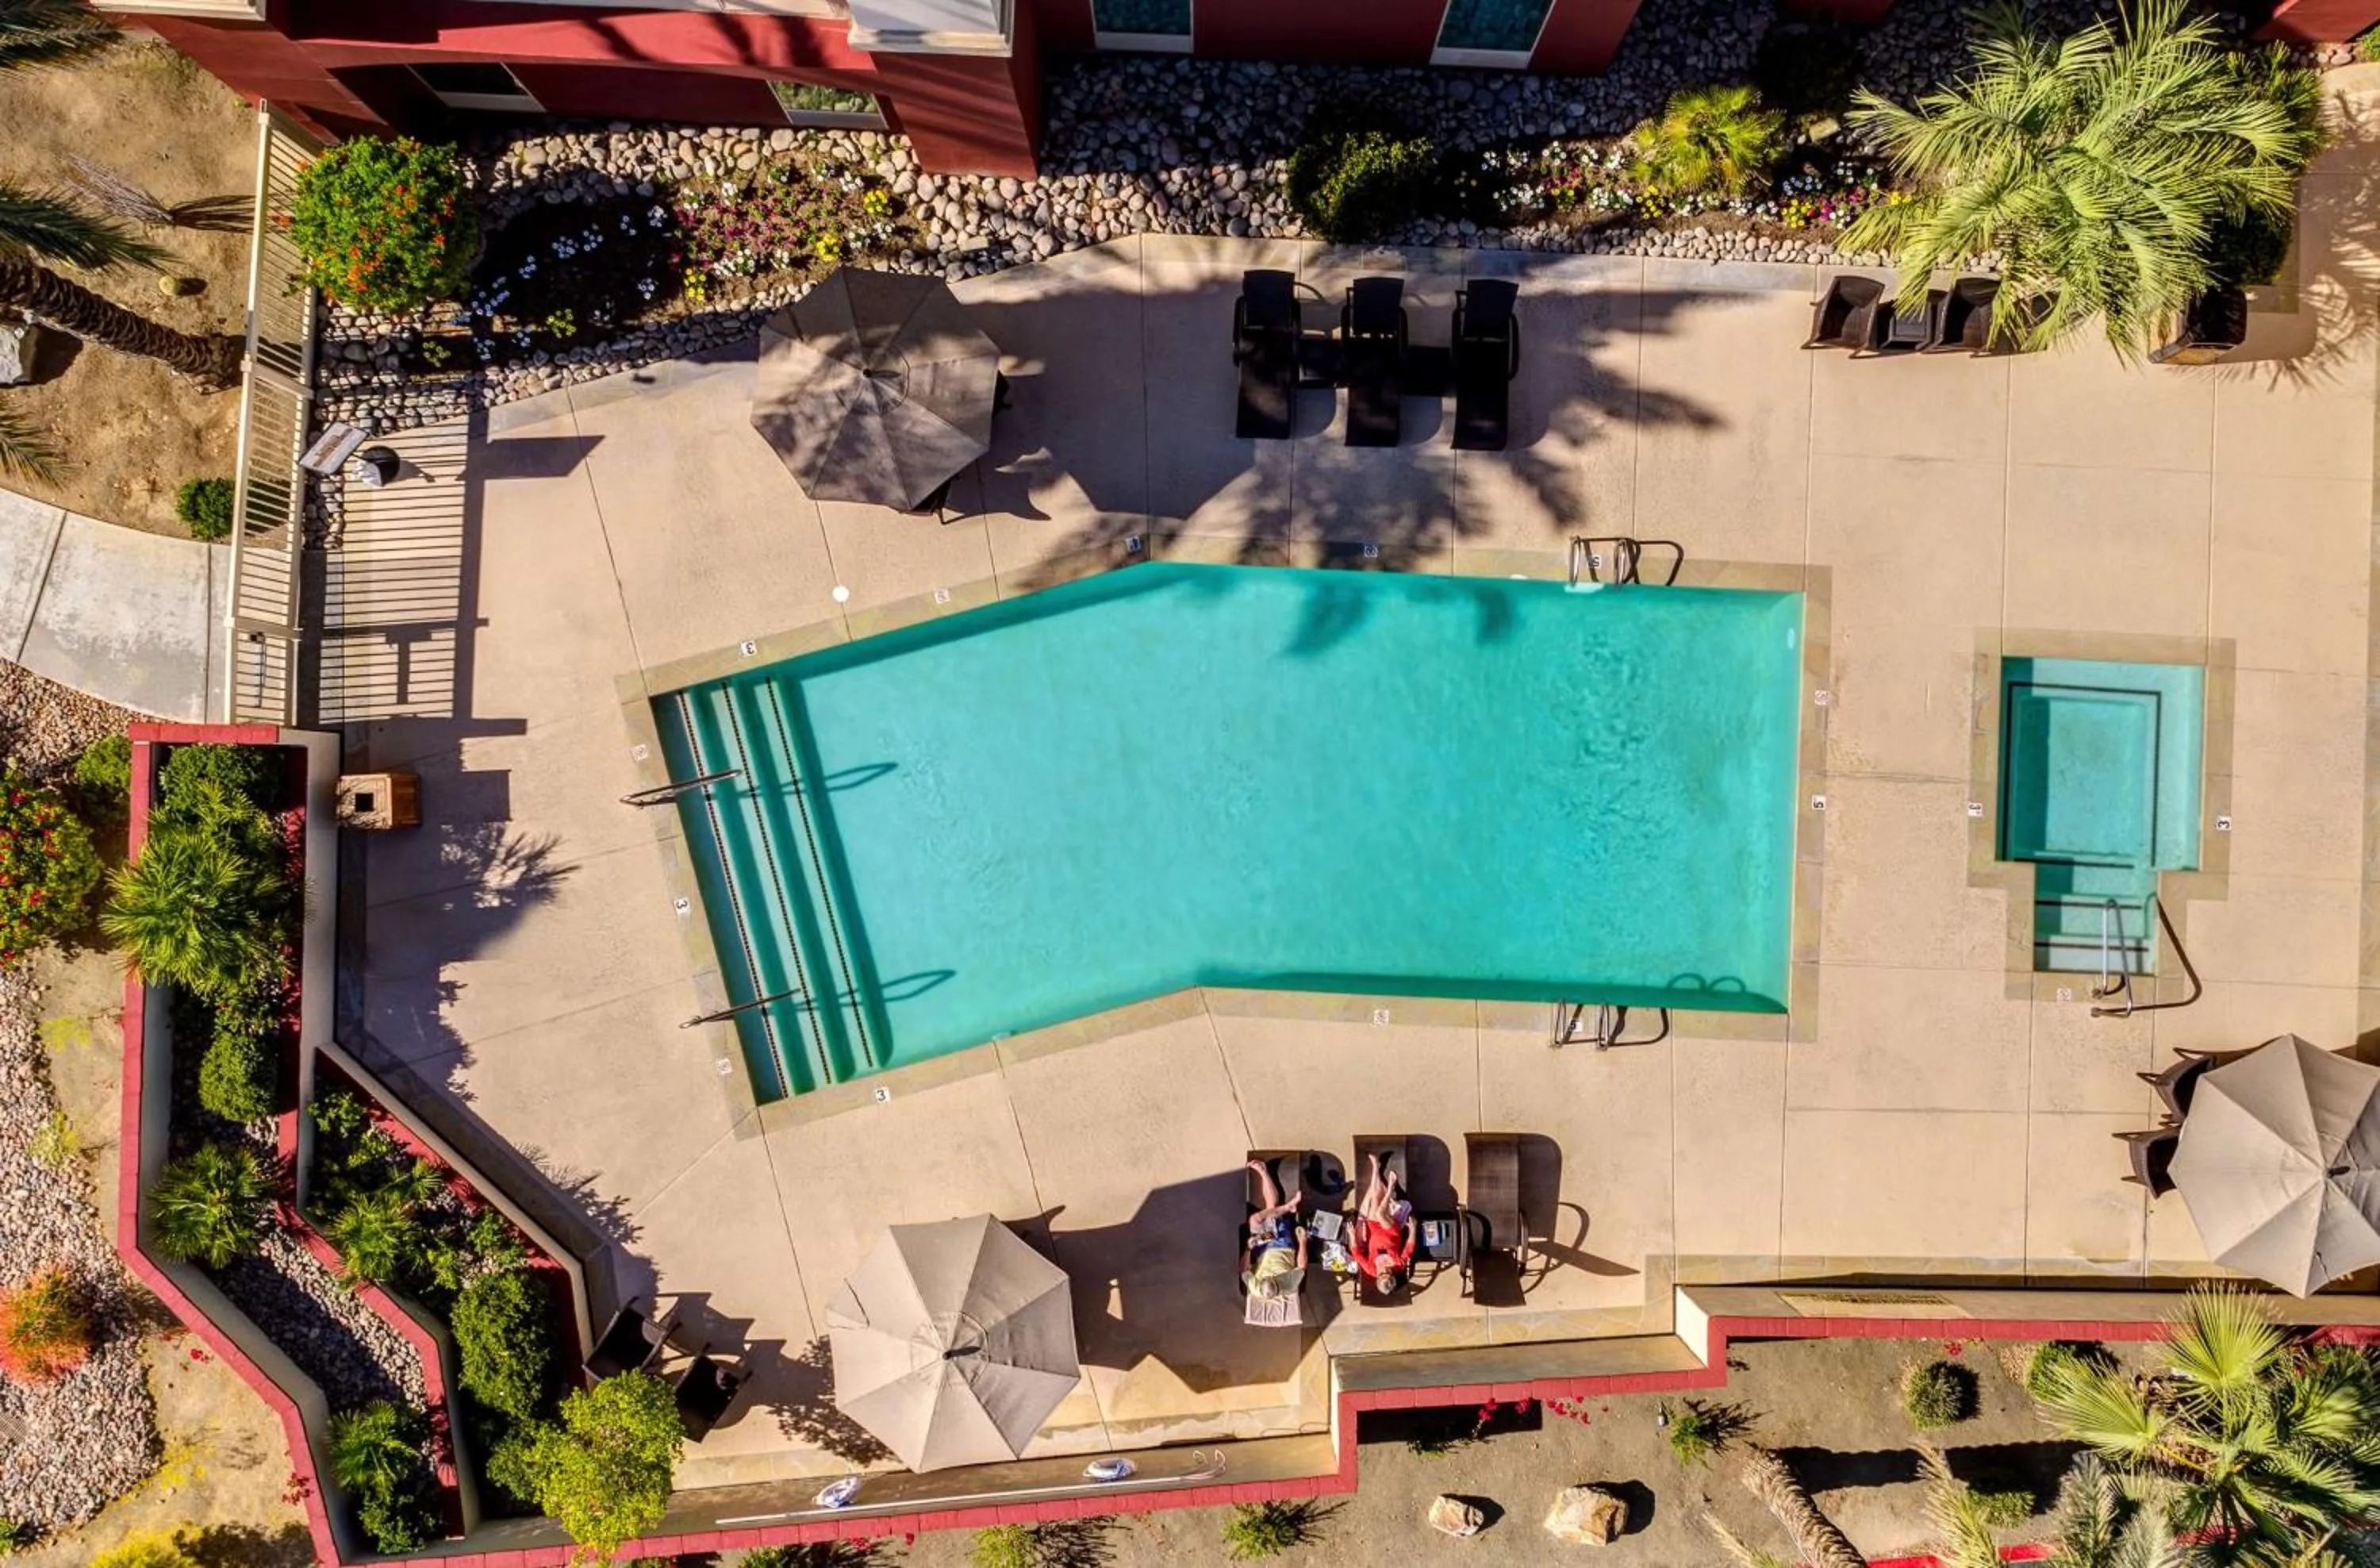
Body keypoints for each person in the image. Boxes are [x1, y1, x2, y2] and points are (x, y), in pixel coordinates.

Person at [1349, 1151, 1417, 1294]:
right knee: (1380, 1213)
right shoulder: (1399, 1265)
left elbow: (1356, 1253)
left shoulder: (1371, 1269)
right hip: (1391, 1231)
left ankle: (1377, 1168)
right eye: (1388, 1273)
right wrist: (1413, 1229)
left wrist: (1351, 1235)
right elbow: (1409, 1248)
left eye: (1382, 1274)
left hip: (1373, 1229)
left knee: (1374, 1199)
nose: (1385, 1270)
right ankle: (1390, 1186)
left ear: (1378, 1278)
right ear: (1393, 1276)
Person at [1242, 1158, 1307, 1300]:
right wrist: (1302, 1242)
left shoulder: (1256, 1289)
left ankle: (1286, 1207)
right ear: (1277, 1285)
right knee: (1270, 1210)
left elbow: (1243, 1271)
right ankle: (1263, 1172)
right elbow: (1301, 1267)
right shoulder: (1290, 1285)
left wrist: (1248, 1249)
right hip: (1283, 1245)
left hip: (1263, 1246)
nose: (1270, 1276)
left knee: (1258, 1218)